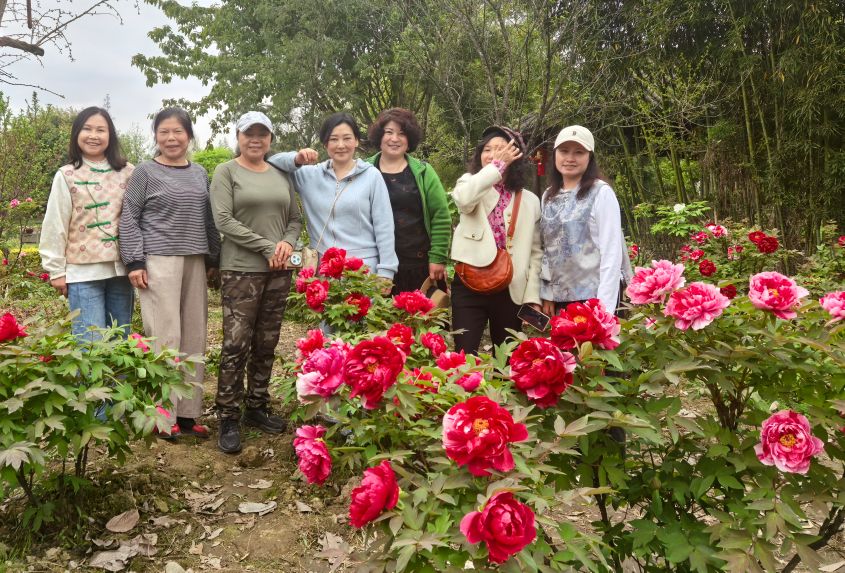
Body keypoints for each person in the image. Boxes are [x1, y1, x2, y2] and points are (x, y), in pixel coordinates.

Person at [119, 107, 220, 441]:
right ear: (156, 136)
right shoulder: (145, 172)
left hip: (195, 260)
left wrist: (214, 258)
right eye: (164, 132)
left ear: (189, 135)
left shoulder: (199, 172)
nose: (171, 138)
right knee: (164, 337)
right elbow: (129, 217)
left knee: (193, 336)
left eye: (178, 131)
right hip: (158, 261)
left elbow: (208, 218)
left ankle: (188, 413)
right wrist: (134, 262)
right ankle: (163, 416)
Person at [210, 111, 302, 454]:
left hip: (279, 271)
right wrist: (267, 247)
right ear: (238, 136)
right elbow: (223, 219)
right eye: (249, 133)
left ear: (270, 139)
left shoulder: (281, 174)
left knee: (267, 342)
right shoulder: (226, 172)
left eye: (262, 134)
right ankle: (228, 415)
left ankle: (257, 406)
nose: (256, 139)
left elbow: (294, 218)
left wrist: (287, 243)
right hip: (240, 270)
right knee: (236, 343)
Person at [267, 112, 397, 283]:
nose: (340, 145)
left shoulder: (372, 176)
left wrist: (386, 272)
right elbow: (271, 162)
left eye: (347, 138)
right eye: (334, 139)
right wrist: (296, 158)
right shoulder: (309, 176)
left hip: (362, 271)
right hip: (323, 272)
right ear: (325, 143)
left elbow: (384, 227)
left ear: (357, 141)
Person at [39, 106, 134, 339]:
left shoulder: (128, 172)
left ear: (110, 135)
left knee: (120, 343)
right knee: (90, 343)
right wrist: (56, 270)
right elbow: (55, 223)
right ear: (76, 134)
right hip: (82, 273)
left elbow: (138, 219)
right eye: (87, 129)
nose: (93, 135)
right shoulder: (66, 175)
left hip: (121, 271)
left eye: (101, 130)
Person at [450, 126, 542, 354]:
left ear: (516, 156)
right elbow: (463, 200)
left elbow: (536, 253)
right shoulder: (469, 183)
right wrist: (496, 168)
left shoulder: (530, 201)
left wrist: (532, 295)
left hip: (510, 287)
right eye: (487, 150)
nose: (493, 155)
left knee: (508, 360)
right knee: (464, 356)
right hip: (470, 281)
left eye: (501, 149)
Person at [539, 125, 630, 316]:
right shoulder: (549, 195)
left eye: (579, 152)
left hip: (596, 296)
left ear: (590, 157)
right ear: (555, 154)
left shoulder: (601, 193)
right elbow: (547, 249)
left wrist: (604, 309)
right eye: (564, 151)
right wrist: (547, 292)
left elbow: (611, 253)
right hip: (560, 300)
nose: (570, 158)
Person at [365, 108, 451, 294]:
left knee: (422, 313)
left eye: (402, 134)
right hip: (376, 266)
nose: (394, 139)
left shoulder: (423, 172)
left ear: (409, 139)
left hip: (418, 265)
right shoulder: (363, 170)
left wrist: (437, 257)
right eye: (389, 132)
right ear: (379, 136)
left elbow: (441, 216)